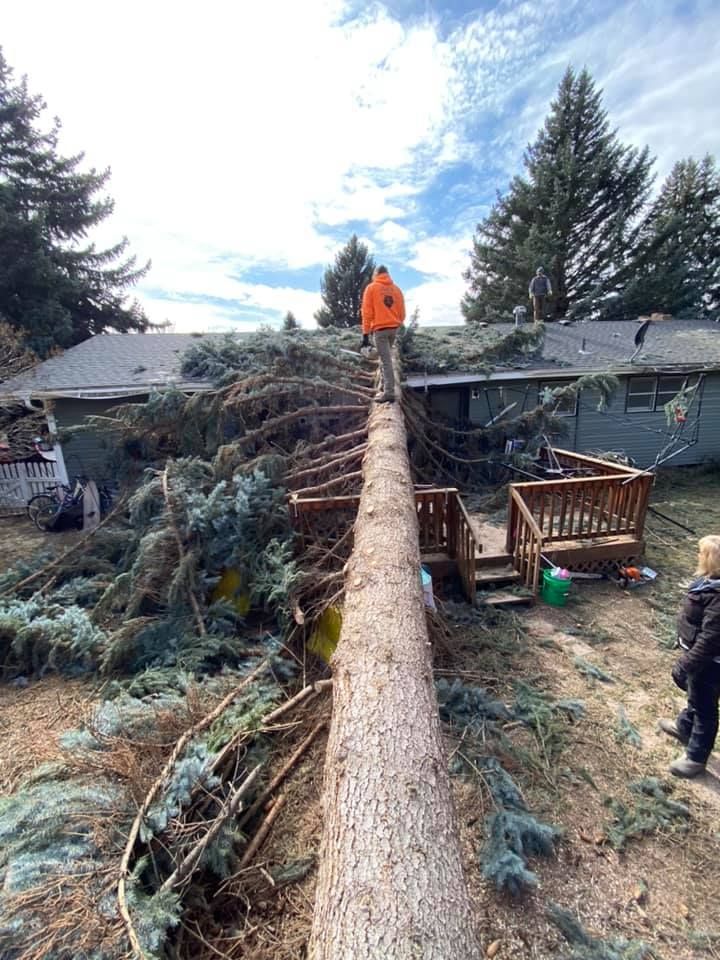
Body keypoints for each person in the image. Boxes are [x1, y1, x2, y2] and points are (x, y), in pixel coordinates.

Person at [659, 535, 720, 777]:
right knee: (696, 697)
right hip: (701, 659)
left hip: (710, 663)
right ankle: (684, 727)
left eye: (701, 553)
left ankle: (696, 758)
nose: (697, 556)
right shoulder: (710, 584)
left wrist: (686, 664)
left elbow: (710, 640)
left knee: (705, 707)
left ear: (711, 560)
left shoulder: (718, 598)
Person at [360, 265, 405, 403]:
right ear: (387, 274)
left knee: (386, 361)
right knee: (384, 357)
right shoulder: (397, 290)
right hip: (394, 329)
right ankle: (385, 386)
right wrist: (396, 323)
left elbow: (367, 313)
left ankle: (389, 393)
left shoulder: (371, 288)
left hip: (380, 331)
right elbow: (402, 313)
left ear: (376, 273)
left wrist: (365, 335)